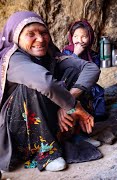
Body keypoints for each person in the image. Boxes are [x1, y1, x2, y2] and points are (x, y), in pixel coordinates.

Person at [0, 11, 101, 172]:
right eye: (30, 34)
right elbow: (44, 83)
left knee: (75, 76)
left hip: (48, 114)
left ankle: (73, 134)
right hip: (17, 130)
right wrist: (74, 106)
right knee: (33, 84)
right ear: (16, 38)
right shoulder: (13, 59)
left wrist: (69, 103)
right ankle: (46, 153)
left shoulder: (50, 55)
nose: (40, 39)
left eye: (43, 32)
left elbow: (90, 68)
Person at [62, 20, 106, 119]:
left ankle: (98, 115)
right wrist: (75, 54)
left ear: (90, 38)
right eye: (76, 36)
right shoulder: (66, 52)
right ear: (71, 37)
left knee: (98, 91)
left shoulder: (93, 55)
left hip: (87, 84)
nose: (79, 40)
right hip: (69, 85)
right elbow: (67, 70)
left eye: (84, 37)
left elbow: (94, 73)